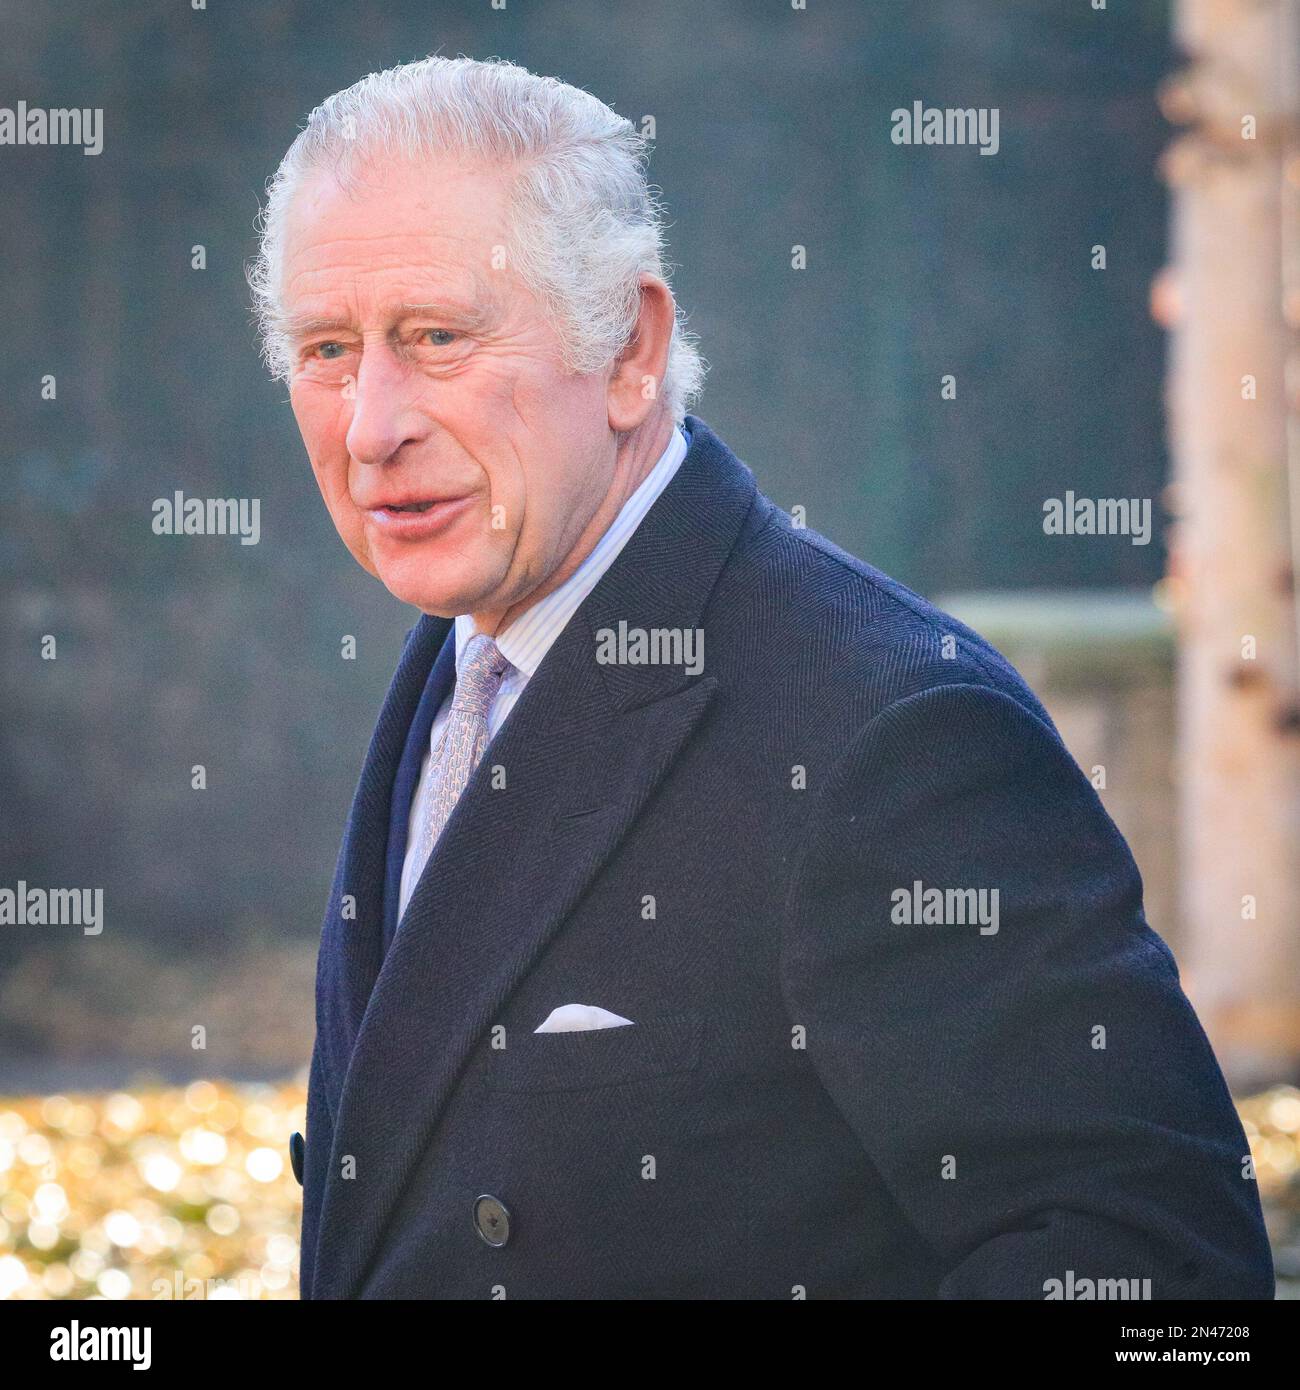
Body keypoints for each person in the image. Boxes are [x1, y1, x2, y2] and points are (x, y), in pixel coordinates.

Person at [248, 55, 1274, 1300]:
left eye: (436, 338)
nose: (369, 424)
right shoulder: (468, 640)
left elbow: (1152, 1266)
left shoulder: (890, 733)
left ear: (630, 349)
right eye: (327, 349)